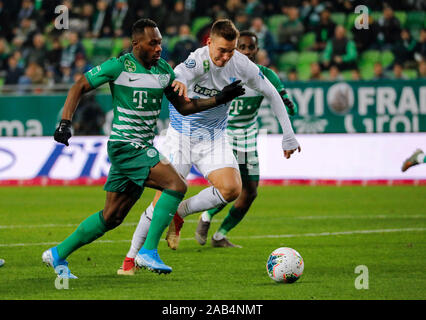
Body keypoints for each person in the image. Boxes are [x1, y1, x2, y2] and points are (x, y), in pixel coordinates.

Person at [41, 18, 244, 279]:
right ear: (136, 44)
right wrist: (66, 122)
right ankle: (148, 251)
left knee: (111, 217)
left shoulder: (163, 72)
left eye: (160, 42)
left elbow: (185, 107)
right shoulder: (119, 66)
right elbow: (80, 85)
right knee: (177, 185)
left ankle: (58, 253)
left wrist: (219, 98)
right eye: (153, 43)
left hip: (141, 147)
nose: (159, 48)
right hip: (126, 146)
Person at [117, 20, 301, 275]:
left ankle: (180, 212)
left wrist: (288, 134)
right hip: (180, 137)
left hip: (213, 138)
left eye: (232, 50)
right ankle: (130, 258)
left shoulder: (240, 63)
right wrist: (179, 82)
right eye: (222, 50)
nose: (227, 57)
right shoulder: (198, 60)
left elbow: (271, 92)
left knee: (232, 188)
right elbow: (181, 73)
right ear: (209, 43)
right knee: (160, 200)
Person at [194, 30, 298, 248]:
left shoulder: (265, 74)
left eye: (251, 47)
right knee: (231, 187)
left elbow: (280, 94)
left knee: (250, 192)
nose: (247, 51)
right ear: (235, 49)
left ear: (257, 49)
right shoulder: (222, 71)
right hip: (224, 135)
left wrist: (287, 102)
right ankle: (205, 217)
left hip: (248, 137)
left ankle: (220, 236)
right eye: (242, 47)